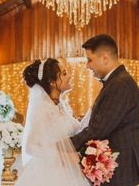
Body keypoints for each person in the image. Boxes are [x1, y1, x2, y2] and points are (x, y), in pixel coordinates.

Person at [71, 34, 139, 186]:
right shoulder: (116, 82)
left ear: (105, 58)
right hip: (118, 166)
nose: (87, 66)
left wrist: (65, 145)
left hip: (121, 168)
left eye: (89, 60)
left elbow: (100, 128)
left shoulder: (119, 84)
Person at [15, 58, 89, 186]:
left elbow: (77, 130)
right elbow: (30, 146)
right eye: (64, 73)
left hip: (68, 171)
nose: (70, 76)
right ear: (52, 82)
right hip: (50, 174)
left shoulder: (58, 106)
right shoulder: (43, 109)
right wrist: (65, 157)